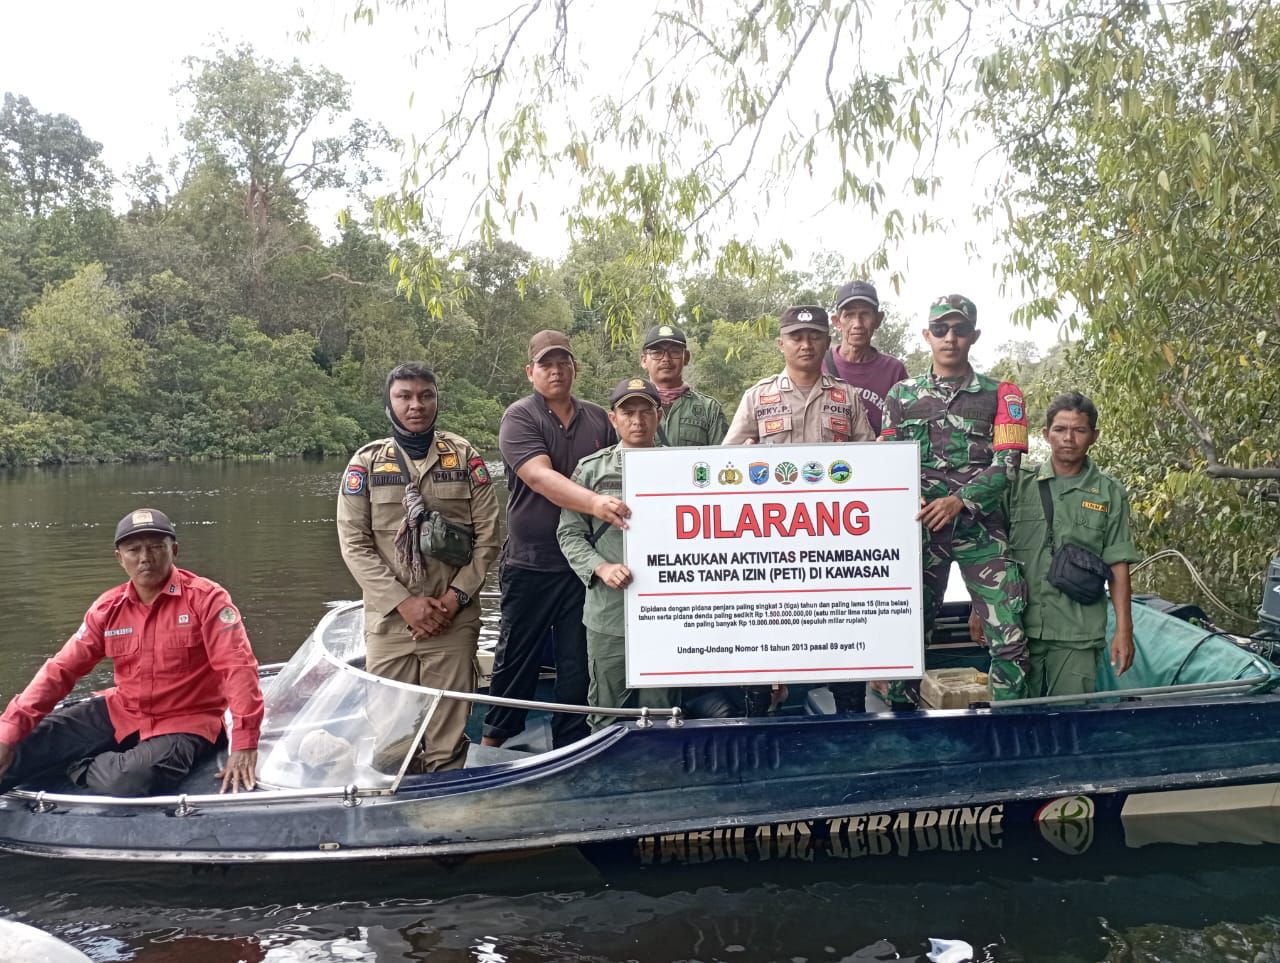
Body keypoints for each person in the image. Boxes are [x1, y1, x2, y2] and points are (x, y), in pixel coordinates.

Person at [0, 508, 263, 796]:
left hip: (187, 720)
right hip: (122, 711)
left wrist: (245, 742)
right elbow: (60, 670)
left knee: (130, 777)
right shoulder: (107, 609)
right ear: (119, 558)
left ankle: (77, 766)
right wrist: (8, 730)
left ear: (174, 550)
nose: (145, 558)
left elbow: (237, 667)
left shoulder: (208, 600)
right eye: (133, 549)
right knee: (17, 746)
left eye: (155, 547)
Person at [337, 362, 501, 771]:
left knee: (447, 748)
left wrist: (453, 598)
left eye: (425, 396)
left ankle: (447, 819)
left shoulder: (464, 458)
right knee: (394, 747)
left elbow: (488, 540)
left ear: (436, 400)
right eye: (404, 396)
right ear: (389, 403)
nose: (416, 405)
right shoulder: (367, 464)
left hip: (453, 619)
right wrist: (403, 603)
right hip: (391, 624)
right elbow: (354, 545)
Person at [725, 305, 877, 715]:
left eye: (814, 336)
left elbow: (875, 464)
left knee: (844, 628)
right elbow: (725, 463)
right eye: (796, 336)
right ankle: (757, 720)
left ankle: (851, 721)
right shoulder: (757, 397)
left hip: (836, 540)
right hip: (771, 543)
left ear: (828, 341)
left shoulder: (847, 397)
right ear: (781, 344)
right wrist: (743, 459)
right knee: (762, 636)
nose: (805, 344)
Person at [882, 294, 1030, 702]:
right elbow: (886, 466)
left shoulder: (1004, 395)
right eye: (942, 330)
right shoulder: (900, 396)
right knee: (905, 639)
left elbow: (1008, 465)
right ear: (927, 335)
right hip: (919, 535)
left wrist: (959, 500)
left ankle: (1008, 732)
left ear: (974, 336)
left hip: (980, 533)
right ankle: (900, 727)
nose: (951, 338)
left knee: (1010, 639)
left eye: (960, 330)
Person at [482, 330, 622, 749]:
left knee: (578, 663)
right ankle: (492, 743)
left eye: (564, 362)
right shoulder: (520, 417)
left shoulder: (600, 417)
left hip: (585, 565)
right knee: (515, 657)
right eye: (546, 364)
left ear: (575, 367)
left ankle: (572, 746)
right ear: (530, 372)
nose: (557, 371)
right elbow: (540, 477)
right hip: (531, 562)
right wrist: (596, 503)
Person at [557, 377, 680, 729]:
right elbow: (569, 533)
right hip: (609, 612)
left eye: (646, 412)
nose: (637, 421)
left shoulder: (684, 467)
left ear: (660, 415)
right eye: (628, 412)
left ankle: (659, 778)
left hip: (667, 611)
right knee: (608, 711)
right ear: (613, 419)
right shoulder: (590, 470)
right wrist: (601, 567)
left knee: (663, 711)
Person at [1004, 392, 1140, 696]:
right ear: (1045, 434)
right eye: (1060, 430)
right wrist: (980, 610)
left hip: (1076, 633)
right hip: (1015, 630)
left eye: (1079, 430)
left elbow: (1118, 562)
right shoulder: (1017, 483)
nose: (1069, 438)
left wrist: (1124, 630)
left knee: (1068, 724)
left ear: (1094, 436)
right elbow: (993, 550)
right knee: (1009, 725)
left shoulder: (1108, 492)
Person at [822, 280, 909, 437]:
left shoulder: (894, 370)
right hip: (831, 460)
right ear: (837, 322)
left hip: (878, 458)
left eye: (865, 314)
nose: (857, 324)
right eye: (849, 315)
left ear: (878, 319)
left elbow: (905, 424)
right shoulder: (820, 365)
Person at [639, 323, 728, 447]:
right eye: (657, 353)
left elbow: (723, 458)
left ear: (686, 358)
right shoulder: (629, 408)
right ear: (644, 361)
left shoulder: (709, 409)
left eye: (674, 352)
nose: (666, 359)